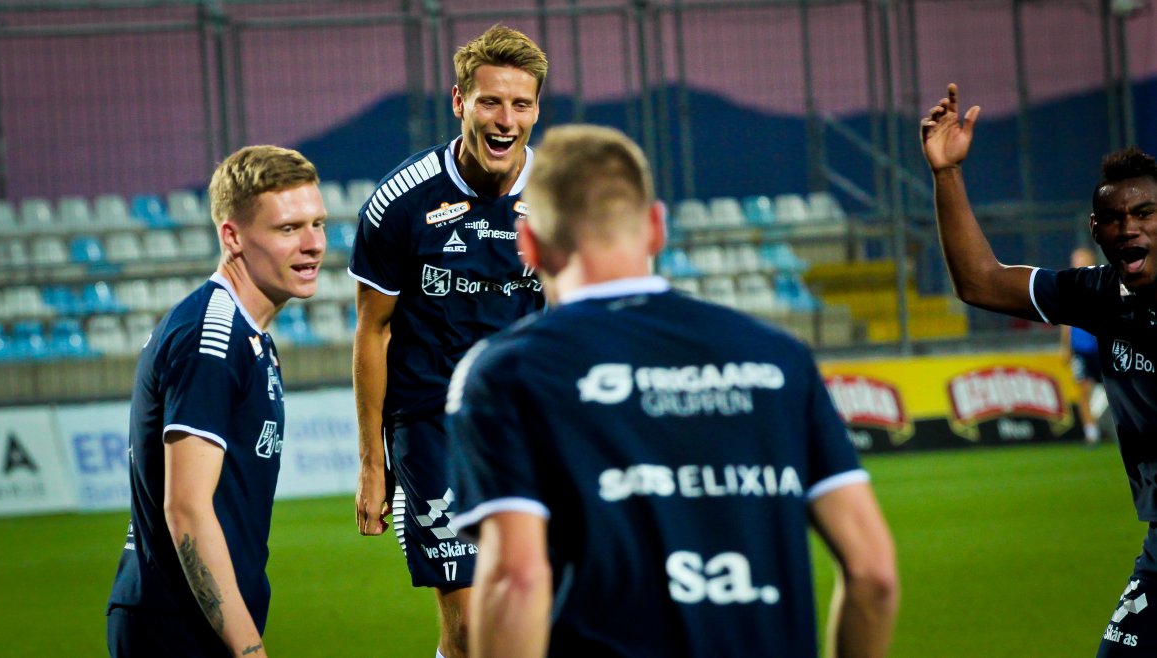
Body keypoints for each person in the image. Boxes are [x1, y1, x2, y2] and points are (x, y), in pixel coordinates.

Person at [444, 124, 899, 658]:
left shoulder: (505, 373)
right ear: (657, 227)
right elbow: (874, 575)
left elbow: (516, 580)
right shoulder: (779, 357)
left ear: (529, 244)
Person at [921, 83, 1157, 656]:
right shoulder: (1100, 294)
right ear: (1095, 231)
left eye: (1145, 213)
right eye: (1113, 217)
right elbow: (979, 281)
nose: (1128, 227)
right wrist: (947, 174)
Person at [348, 24, 548, 658]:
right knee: (468, 629)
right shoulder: (400, 203)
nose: (505, 120)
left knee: (535, 612)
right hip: (430, 421)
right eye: (490, 102)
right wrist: (372, 465)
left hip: (527, 421)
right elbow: (373, 331)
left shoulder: (559, 198)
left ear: (536, 110)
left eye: (520, 104)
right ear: (459, 102)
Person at [106, 145, 326, 657]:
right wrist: (249, 651)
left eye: (318, 224)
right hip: (175, 627)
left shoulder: (245, 335)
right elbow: (186, 507)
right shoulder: (212, 339)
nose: (314, 244)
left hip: (197, 622)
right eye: (288, 229)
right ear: (232, 236)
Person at [1060, 247, 1106, 445]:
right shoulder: (1069, 288)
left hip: (1102, 348)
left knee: (1115, 389)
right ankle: (1091, 433)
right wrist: (1065, 347)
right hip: (1080, 349)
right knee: (1083, 391)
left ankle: (1124, 428)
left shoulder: (1102, 284)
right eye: (1075, 260)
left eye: (1081, 259)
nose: (1077, 263)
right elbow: (1065, 322)